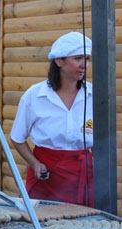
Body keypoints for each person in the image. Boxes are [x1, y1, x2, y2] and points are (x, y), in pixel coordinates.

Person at [10, 32, 94, 207]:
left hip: (82, 176)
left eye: (87, 59)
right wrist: (35, 164)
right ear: (59, 61)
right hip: (47, 176)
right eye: (78, 58)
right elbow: (17, 138)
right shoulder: (35, 96)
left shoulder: (93, 95)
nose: (84, 65)